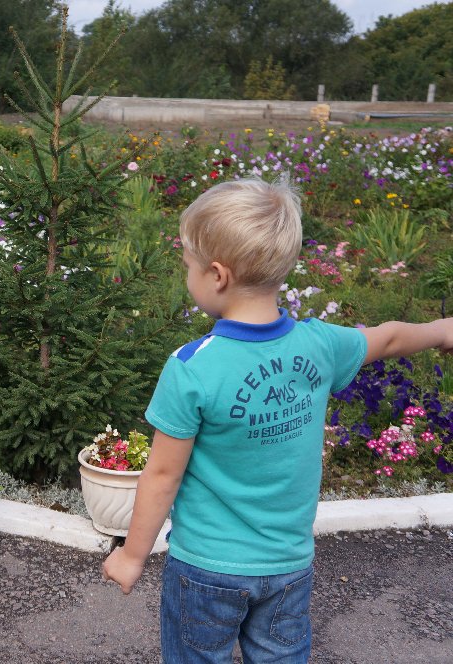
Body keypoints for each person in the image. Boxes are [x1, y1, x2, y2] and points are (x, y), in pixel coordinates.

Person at [101, 177, 453, 663]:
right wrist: (442, 330)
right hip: (289, 565)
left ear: (217, 275)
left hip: (207, 568)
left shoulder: (193, 368)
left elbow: (162, 475)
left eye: (187, 267)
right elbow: (389, 337)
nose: (187, 276)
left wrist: (132, 555)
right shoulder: (319, 344)